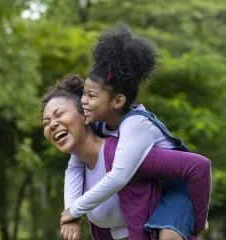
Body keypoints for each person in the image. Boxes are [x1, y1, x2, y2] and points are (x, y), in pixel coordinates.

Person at [61, 25, 207, 240]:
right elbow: (74, 166)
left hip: (174, 189)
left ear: (117, 101)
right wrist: (70, 211)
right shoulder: (100, 124)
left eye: (91, 96)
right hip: (149, 188)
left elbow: (118, 177)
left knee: (168, 237)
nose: (83, 101)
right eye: (83, 93)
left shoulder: (136, 124)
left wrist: (75, 210)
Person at [41, 74, 211, 240]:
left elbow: (198, 166)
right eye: (46, 122)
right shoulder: (80, 163)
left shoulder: (126, 149)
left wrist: (199, 220)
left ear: (85, 115)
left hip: (179, 188)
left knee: (170, 235)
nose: (53, 124)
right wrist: (71, 216)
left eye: (59, 114)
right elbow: (72, 169)